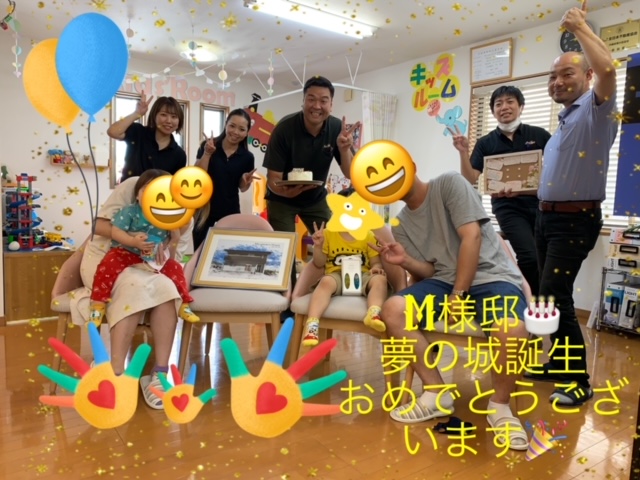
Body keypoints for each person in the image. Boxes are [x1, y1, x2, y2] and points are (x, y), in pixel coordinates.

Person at [377, 171, 531, 451]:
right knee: (394, 309)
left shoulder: (449, 184)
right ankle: (436, 394)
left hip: (492, 277)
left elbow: (472, 236)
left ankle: (500, 406)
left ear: (409, 165)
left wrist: (458, 295)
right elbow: (430, 270)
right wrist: (406, 260)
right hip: (444, 280)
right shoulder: (401, 224)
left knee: (512, 328)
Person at [526, 1, 618, 406]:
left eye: (567, 73)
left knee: (555, 294)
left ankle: (578, 380)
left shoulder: (595, 111)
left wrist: (580, 27)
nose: (558, 81)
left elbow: (610, 70)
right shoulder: (564, 123)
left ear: (587, 76)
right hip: (546, 219)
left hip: (574, 221)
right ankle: (558, 364)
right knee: (547, 294)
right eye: (553, 76)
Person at [71, 175, 196, 410]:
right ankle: (115, 372)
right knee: (133, 289)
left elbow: (176, 255)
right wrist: (132, 241)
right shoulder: (131, 201)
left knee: (167, 290)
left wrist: (172, 241)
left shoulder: (176, 214)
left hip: (153, 265)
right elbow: (101, 226)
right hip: (118, 260)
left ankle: (159, 374)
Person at [263, 75, 360, 319]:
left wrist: (345, 149)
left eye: (323, 100)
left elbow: (351, 173)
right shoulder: (285, 129)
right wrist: (286, 191)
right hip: (281, 198)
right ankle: (286, 306)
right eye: (311, 99)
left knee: (331, 242)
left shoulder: (336, 128)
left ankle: (325, 294)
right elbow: (273, 178)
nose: (317, 106)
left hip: (315, 197)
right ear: (303, 101)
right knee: (285, 251)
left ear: (331, 104)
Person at [450, 86, 551, 296]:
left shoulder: (539, 135)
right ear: (493, 111)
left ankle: (544, 301)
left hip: (540, 206)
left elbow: (555, 172)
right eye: (498, 104)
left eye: (510, 101)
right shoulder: (485, 142)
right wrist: (463, 152)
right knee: (529, 256)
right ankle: (529, 301)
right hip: (508, 208)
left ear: (521, 106)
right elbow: (470, 178)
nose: (504, 107)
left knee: (547, 258)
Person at [88, 169, 199, 327]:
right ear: (137, 195)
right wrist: (132, 241)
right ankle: (98, 304)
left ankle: (184, 303)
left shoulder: (169, 217)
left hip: (153, 258)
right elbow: (116, 231)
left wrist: (172, 239)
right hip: (125, 252)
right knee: (107, 265)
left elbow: (168, 244)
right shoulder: (129, 212)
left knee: (175, 267)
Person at [301, 189, 390, 346]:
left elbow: (375, 262)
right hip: (337, 276)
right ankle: (312, 324)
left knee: (380, 280)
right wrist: (318, 246)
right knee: (325, 282)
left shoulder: (368, 235)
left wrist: (376, 268)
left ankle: (374, 312)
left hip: (362, 276)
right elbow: (319, 263)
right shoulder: (328, 234)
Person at [192, 108, 256, 251]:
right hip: (204, 209)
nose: (236, 132)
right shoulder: (209, 145)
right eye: (232, 126)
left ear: (247, 132)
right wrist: (207, 153)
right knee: (200, 252)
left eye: (241, 129)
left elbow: (242, 188)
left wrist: (245, 181)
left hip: (230, 209)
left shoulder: (247, 157)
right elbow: (198, 176)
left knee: (227, 252)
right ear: (225, 124)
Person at [107, 93, 187, 182]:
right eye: (163, 115)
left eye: (174, 117)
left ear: (179, 121)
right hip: (129, 190)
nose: (169, 121)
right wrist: (136, 114)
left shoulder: (179, 155)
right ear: (154, 116)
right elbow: (113, 132)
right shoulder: (138, 132)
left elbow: (174, 184)